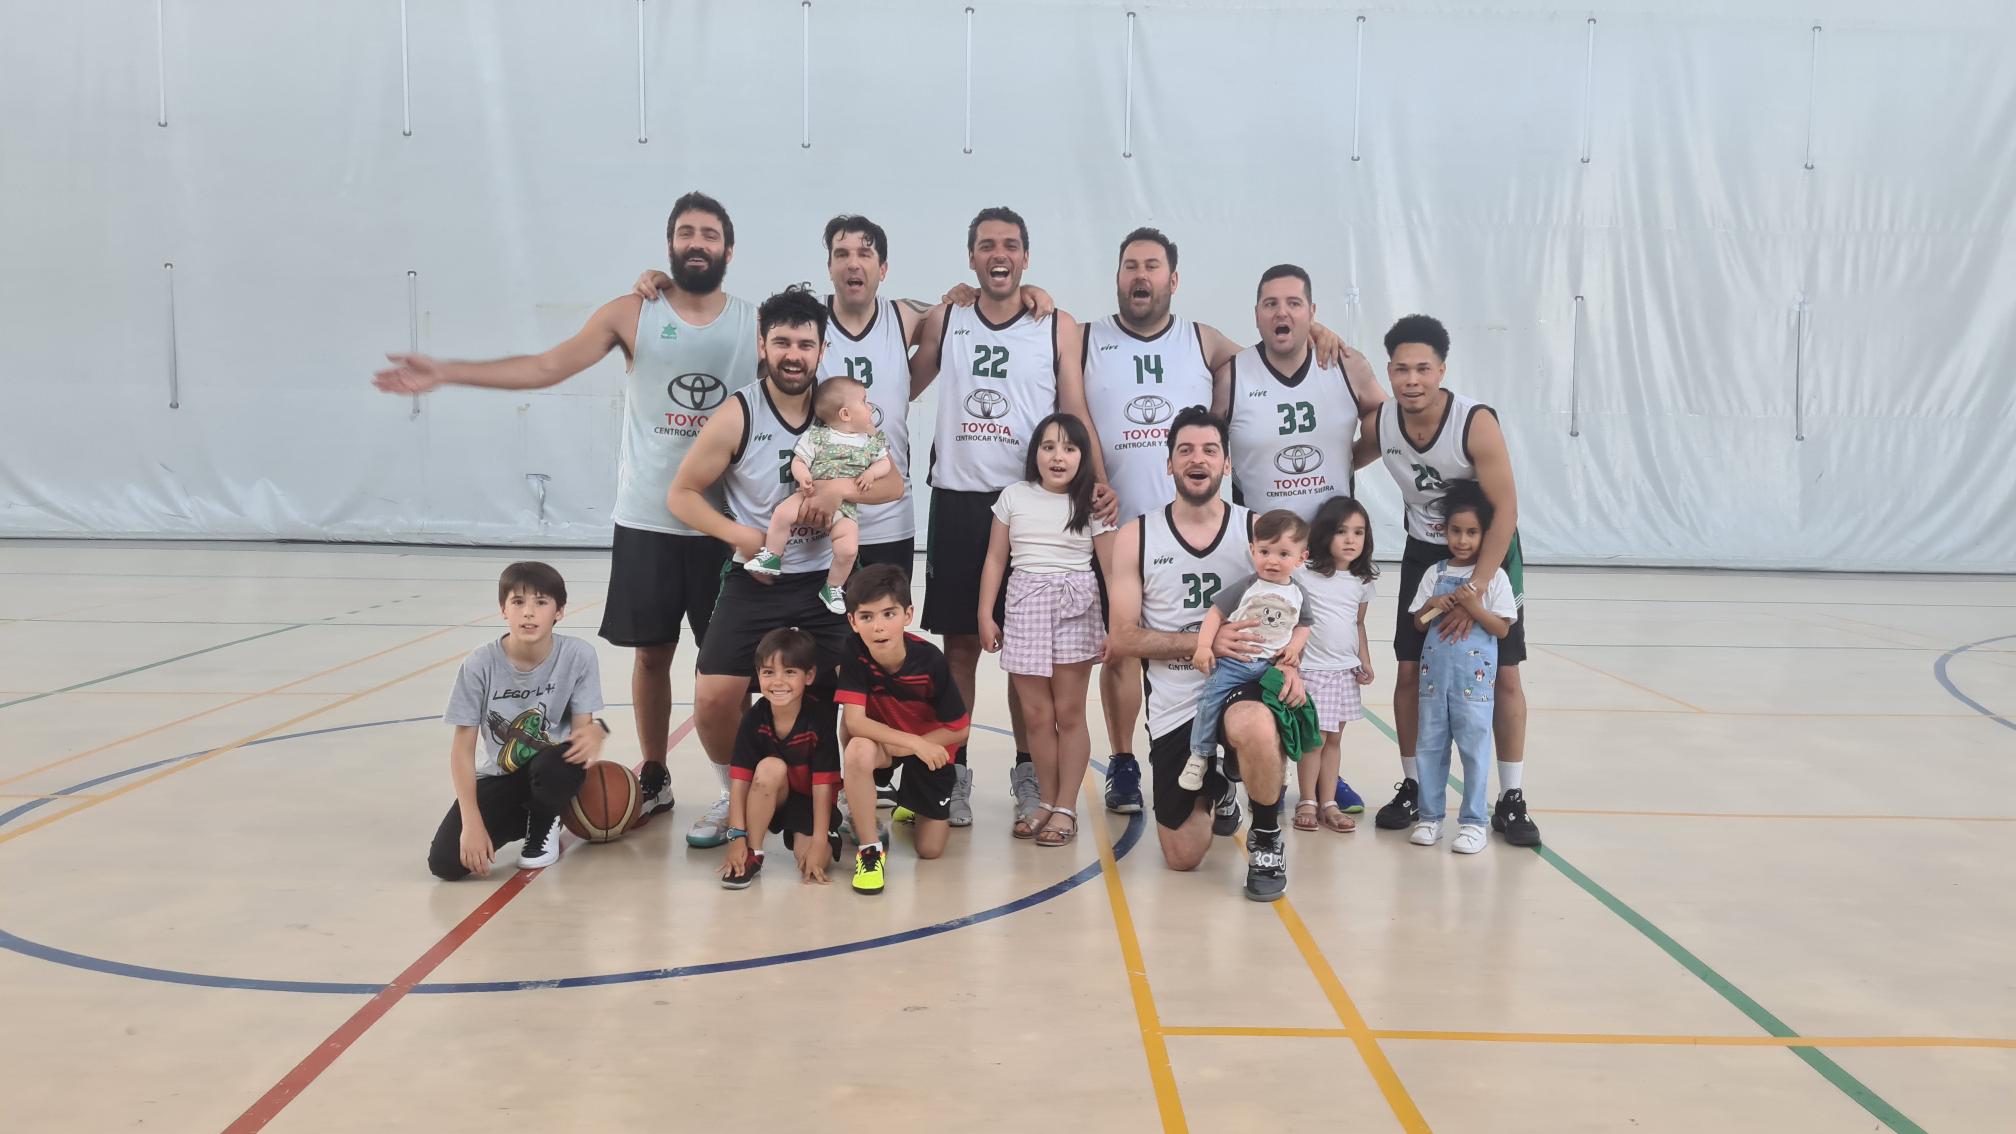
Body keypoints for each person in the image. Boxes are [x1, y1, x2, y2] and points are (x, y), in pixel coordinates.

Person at [377, 191, 750, 834]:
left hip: (726, 523)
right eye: (686, 232)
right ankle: (657, 774)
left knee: (725, 669)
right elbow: (547, 366)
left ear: (728, 250)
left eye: (709, 234)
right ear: (669, 246)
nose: (697, 242)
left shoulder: (752, 321)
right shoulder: (633, 313)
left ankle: (735, 786)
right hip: (648, 519)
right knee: (654, 655)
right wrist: (448, 371)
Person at [1078, 229, 1373, 819]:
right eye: (1131, 265)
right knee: (1124, 650)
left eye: (1153, 266)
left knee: (1285, 644)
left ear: (1173, 279)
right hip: (1123, 519)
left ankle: (1304, 764)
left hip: (1212, 524)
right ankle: (1126, 761)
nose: (1142, 275)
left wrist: (1317, 334)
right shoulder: (1086, 337)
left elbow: (1273, 360)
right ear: (1117, 275)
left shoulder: (1203, 340)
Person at [667, 286, 902, 848]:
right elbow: (682, 495)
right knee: (714, 695)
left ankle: (843, 795)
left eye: (804, 343)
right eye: (781, 342)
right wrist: (739, 534)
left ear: (822, 350)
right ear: (762, 345)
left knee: (857, 691)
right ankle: (735, 792)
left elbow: (893, 482)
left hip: (829, 581)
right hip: (759, 577)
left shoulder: (841, 412)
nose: (793, 354)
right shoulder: (738, 412)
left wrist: (844, 486)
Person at [907, 205, 1114, 829]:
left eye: (1011, 245)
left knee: (1037, 656)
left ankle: (1033, 779)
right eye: (987, 245)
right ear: (971, 258)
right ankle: (956, 775)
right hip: (961, 500)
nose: (1000, 254)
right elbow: (904, 378)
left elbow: (1073, 406)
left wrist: (1097, 480)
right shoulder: (949, 316)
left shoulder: (1057, 325)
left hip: (1037, 506)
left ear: (1027, 257)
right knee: (961, 647)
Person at [1357, 314, 1541, 847]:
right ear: (1388, 372)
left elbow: (1505, 510)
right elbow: (1336, 461)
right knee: (1411, 671)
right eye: (1400, 369)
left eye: (1422, 368)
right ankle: (1415, 785)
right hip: (1424, 553)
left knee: (1505, 675)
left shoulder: (1473, 422)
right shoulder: (1382, 423)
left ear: (1441, 370)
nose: (1411, 379)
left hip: (1488, 554)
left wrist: (1475, 588)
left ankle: (1509, 797)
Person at [1104, 407, 1298, 901]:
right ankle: (1220, 785)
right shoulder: (1137, 534)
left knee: (1253, 723)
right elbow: (1122, 637)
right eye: (1185, 450)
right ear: (1168, 464)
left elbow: (1297, 611)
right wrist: (1203, 642)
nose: (1198, 459)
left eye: (1210, 450)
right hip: (1175, 702)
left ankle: (1267, 836)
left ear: (1227, 465)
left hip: (1242, 683)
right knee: (1183, 856)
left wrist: (1294, 667)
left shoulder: (1258, 531)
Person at [977, 413, 1116, 847]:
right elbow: (996, 559)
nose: (1058, 457)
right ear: (1034, 452)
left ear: (1083, 457)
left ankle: (1067, 807)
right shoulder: (1013, 496)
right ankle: (1046, 801)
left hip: (1075, 607)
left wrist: (1117, 626)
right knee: (1036, 715)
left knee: (1069, 712)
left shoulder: (1091, 502)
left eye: (1070, 448)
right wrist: (986, 613)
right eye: (1049, 447)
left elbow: (1112, 570)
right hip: (1024, 607)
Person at [428, 562, 603, 880]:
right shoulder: (480, 663)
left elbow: (582, 733)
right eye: (518, 602)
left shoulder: (579, 655)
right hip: (500, 776)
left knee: (557, 759)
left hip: (554, 767)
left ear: (559, 611)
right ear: (503, 610)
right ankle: (531, 815)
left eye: (541, 602)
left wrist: (595, 732)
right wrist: (472, 822)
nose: (529, 613)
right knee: (446, 863)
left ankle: (545, 821)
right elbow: (462, 750)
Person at [836, 565, 971, 896]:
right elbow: (854, 722)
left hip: (931, 748)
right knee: (856, 749)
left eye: (889, 613)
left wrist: (919, 746)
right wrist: (909, 743)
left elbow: (959, 728)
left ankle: (910, 799)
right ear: (853, 621)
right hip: (890, 743)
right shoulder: (853, 651)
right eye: (866, 617)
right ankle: (869, 851)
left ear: (908, 614)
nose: (879, 626)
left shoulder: (930, 662)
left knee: (930, 851)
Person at [1405, 481, 1519, 855]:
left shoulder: (1495, 579)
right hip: (1434, 684)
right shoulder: (1434, 573)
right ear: (1444, 531)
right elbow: (1419, 624)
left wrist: (1474, 608)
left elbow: (1502, 629)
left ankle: (1473, 822)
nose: (1463, 540)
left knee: (1474, 748)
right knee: (1431, 747)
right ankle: (1430, 817)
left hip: (1475, 685)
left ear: (1486, 535)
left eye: (1472, 532)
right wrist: (1433, 604)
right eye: (1456, 531)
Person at [1221, 265, 1382, 522]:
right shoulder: (1231, 376)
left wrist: (1351, 457)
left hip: (1333, 546)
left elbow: (1391, 424)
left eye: (1294, 303)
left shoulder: (1348, 366)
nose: (1281, 312)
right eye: (1270, 304)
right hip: (1263, 549)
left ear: (1312, 312)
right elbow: (1202, 442)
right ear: (1256, 314)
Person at [1182, 510, 1315, 791]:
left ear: (1301, 558)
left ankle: (1284, 759)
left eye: (1283, 554)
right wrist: (1204, 646)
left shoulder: (1299, 594)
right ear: (1252, 550)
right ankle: (1200, 754)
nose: (1272, 561)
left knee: (1284, 711)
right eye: (1264, 551)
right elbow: (1215, 615)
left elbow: (1304, 625)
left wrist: (1293, 649)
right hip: (1235, 663)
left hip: (1271, 665)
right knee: (1209, 701)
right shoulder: (1247, 586)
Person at [745, 374, 893, 615]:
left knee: (848, 549)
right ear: (845, 414)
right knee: (782, 513)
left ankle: (832, 587)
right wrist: (802, 475)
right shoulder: (818, 435)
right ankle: (771, 555)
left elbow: (885, 464)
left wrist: (872, 474)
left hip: (844, 508)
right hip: (810, 493)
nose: (869, 407)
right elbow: (800, 459)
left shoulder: (870, 441)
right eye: (864, 401)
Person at [718, 628, 843, 889]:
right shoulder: (754, 718)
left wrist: (819, 842)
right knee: (769, 767)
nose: (778, 681)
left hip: (810, 801)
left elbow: (822, 787)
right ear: (758, 675)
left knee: (811, 861)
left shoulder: (818, 719)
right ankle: (754, 852)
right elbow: (739, 783)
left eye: (789, 672)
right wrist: (736, 837)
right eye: (768, 672)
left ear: (809, 676)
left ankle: (816, 837)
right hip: (775, 795)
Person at [1292, 497, 1377, 832]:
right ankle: (1307, 800)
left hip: (1344, 672)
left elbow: (1358, 625)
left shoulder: (1362, 580)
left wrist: (1364, 661)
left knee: (1334, 739)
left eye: (1358, 532)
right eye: (1342, 531)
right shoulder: (1304, 573)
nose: (1351, 539)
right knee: (1314, 739)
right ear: (1325, 533)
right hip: (1311, 671)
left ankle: (1328, 801)